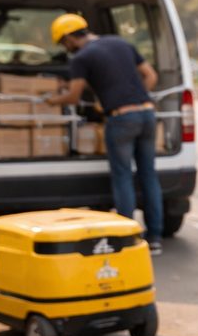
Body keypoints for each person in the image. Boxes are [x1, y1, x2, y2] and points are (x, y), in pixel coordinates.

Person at [45, 14, 164, 257]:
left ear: (69, 37)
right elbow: (151, 76)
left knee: (123, 177)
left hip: (121, 120)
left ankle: (126, 236)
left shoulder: (82, 58)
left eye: (62, 43)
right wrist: (135, 98)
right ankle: (154, 238)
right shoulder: (121, 43)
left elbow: (74, 96)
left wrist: (50, 100)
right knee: (148, 176)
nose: (64, 48)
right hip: (147, 114)